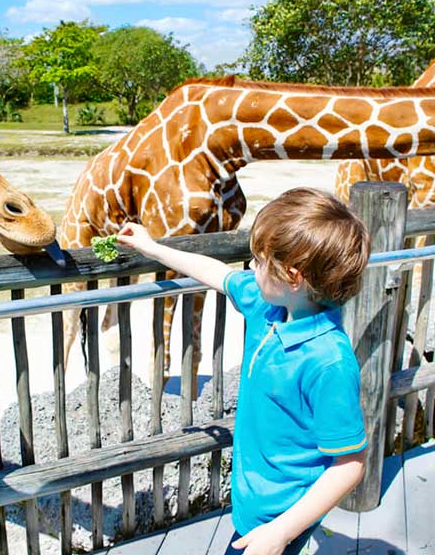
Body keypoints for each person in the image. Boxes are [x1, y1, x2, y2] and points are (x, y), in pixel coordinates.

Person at [117, 187, 370, 555]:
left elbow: (349, 464)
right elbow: (214, 272)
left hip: (280, 515)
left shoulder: (328, 361)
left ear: (292, 276)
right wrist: (152, 248)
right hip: (253, 504)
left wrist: (281, 532)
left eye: (259, 260)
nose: (250, 268)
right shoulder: (269, 307)